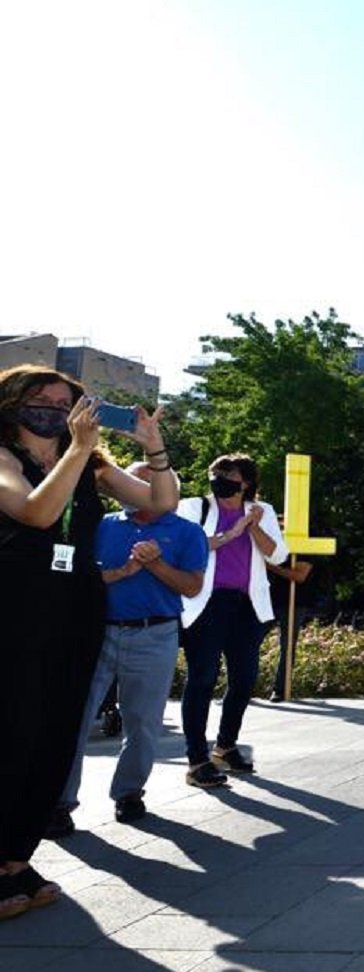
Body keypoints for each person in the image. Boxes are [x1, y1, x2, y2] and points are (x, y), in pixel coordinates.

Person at [0, 366, 176, 918]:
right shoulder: (5, 459)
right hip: (15, 609)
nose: (55, 408)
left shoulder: (91, 462)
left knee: (56, 731)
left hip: (75, 607)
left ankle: (14, 857)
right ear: (11, 404)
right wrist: (77, 450)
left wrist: (155, 448)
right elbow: (37, 511)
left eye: (66, 400)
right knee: (14, 728)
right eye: (42, 400)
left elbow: (162, 502)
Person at [53, 462, 207, 830]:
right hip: (97, 631)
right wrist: (120, 572)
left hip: (155, 634)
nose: (129, 488)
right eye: (128, 480)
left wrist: (155, 565)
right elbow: (80, 578)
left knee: (143, 721)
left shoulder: (186, 532)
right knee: (75, 717)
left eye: (140, 481)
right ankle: (60, 803)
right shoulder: (102, 526)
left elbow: (192, 587)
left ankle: (128, 793)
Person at [175, 453, 288, 789]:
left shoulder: (261, 511)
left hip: (246, 606)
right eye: (216, 473)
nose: (220, 480)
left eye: (228, 475)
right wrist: (229, 534)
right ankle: (197, 761)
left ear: (246, 483)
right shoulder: (195, 507)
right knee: (202, 678)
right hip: (206, 604)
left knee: (244, 679)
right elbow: (184, 549)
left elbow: (278, 555)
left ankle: (225, 747)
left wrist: (251, 527)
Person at [265, 557, 313, 702]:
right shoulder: (275, 539)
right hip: (267, 599)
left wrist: (270, 566)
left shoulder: (305, 545)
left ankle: (280, 689)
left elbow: (300, 576)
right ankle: (241, 686)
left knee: (287, 645)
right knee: (248, 641)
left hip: (294, 603)